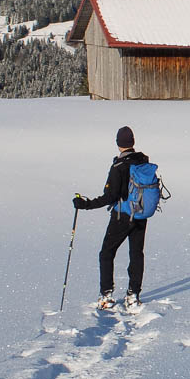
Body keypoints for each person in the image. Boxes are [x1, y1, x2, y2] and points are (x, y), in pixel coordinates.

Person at [73, 126, 150, 310]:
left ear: (118, 144)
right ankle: (133, 295)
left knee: (106, 253)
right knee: (136, 253)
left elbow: (110, 196)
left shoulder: (118, 166)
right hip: (141, 214)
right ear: (133, 142)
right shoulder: (143, 161)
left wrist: (86, 204)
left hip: (122, 216)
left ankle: (106, 295)